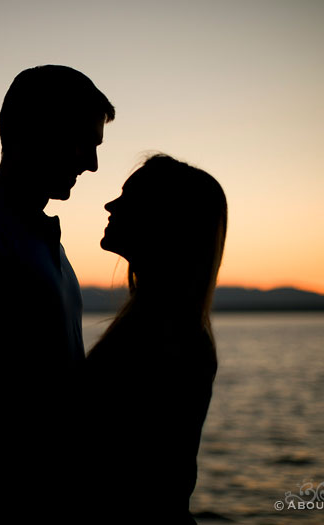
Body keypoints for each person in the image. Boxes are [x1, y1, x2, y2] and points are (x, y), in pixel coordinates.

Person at [0, 65, 115, 523]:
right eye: (85, 143)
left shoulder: (42, 238)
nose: (91, 164)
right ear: (40, 131)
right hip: (7, 506)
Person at [82, 154, 227, 524]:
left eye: (128, 197)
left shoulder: (166, 335)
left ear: (164, 220)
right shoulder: (161, 321)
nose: (110, 204)